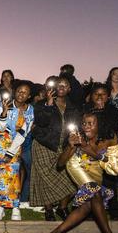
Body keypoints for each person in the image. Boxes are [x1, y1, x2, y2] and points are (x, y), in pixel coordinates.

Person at [45, 112, 118, 233]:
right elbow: (60, 164)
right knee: (95, 192)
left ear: (100, 125)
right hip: (77, 165)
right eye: (84, 123)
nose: (86, 127)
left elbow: (115, 167)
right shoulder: (77, 138)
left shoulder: (109, 138)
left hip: (96, 169)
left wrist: (92, 152)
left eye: (91, 123)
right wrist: (71, 147)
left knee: (88, 206)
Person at [30, 76, 82, 221]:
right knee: (44, 179)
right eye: (59, 84)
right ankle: (48, 210)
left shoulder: (74, 108)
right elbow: (40, 122)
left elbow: (77, 126)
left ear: (69, 89)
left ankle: (62, 207)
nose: (61, 87)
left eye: (65, 85)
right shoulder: (41, 104)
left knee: (69, 178)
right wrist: (48, 104)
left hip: (65, 146)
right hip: (43, 144)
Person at [0, 83, 34, 221]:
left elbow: (24, 132)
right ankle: (0, 207)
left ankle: (15, 206)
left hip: (16, 143)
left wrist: (11, 152)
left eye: (25, 92)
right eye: (19, 90)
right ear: (15, 92)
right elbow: (0, 127)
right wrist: (3, 112)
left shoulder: (30, 110)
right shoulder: (5, 104)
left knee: (13, 175)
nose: (21, 94)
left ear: (29, 96)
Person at [85, 84, 118, 219]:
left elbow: (111, 130)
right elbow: (84, 128)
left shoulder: (112, 110)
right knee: (91, 181)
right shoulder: (86, 109)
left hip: (107, 148)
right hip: (89, 148)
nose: (100, 97)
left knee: (109, 181)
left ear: (107, 97)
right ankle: (90, 210)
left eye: (103, 94)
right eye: (97, 94)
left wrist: (101, 114)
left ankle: (114, 210)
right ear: (91, 96)